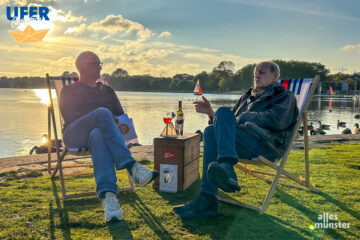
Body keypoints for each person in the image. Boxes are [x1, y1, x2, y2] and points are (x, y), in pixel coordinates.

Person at [173, 61, 299, 219]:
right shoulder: (247, 96)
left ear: (275, 77)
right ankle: (208, 199)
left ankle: (225, 168)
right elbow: (227, 125)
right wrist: (211, 114)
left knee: (223, 113)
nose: (257, 75)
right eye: (255, 72)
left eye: (262, 72)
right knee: (211, 131)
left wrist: (244, 117)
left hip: (264, 145)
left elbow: (278, 120)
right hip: (241, 142)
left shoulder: (284, 96)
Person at [59, 51, 159, 222]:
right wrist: (101, 116)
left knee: (98, 135)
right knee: (103, 114)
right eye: (96, 64)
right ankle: (132, 166)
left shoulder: (107, 91)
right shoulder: (70, 90)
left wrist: (116, 125)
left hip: (99, 136)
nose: (100, 67)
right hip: (74, 135)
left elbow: (120, 116)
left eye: (100, 64)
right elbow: (69, 116)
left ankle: (109, 199)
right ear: (83, 67)